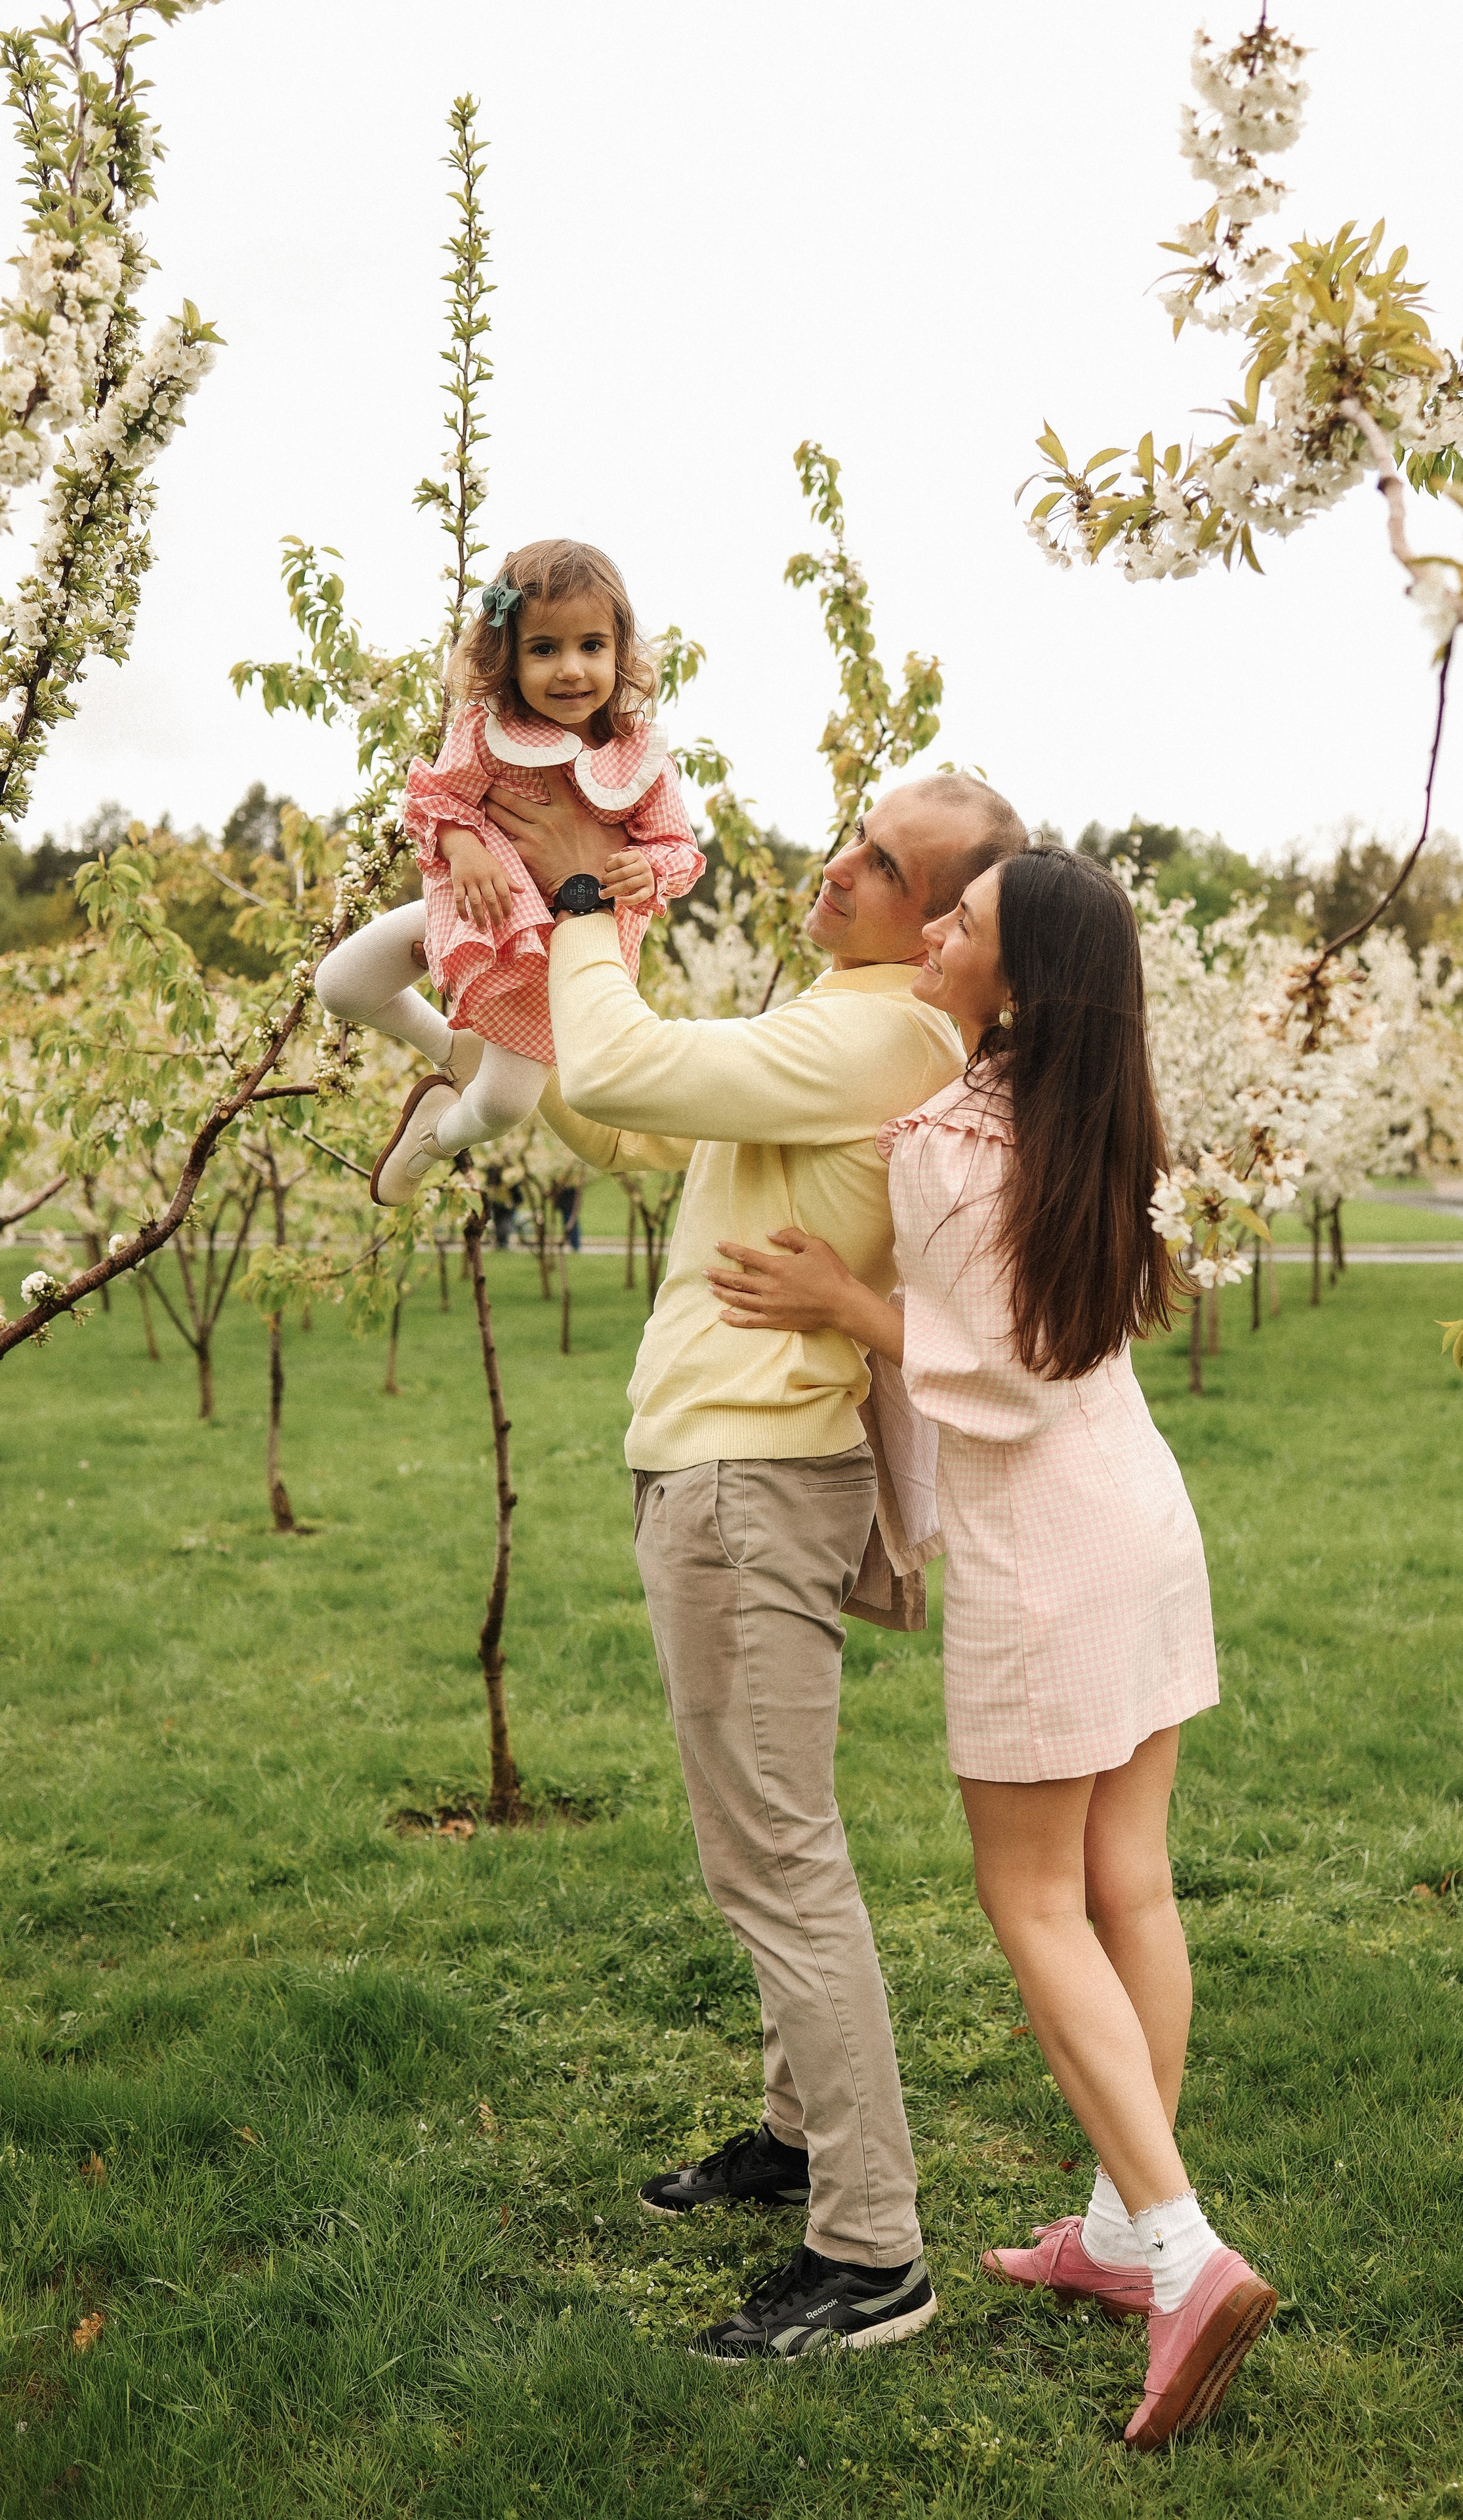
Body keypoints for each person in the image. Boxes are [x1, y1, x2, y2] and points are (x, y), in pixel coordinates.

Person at [705, 845, 1276, 2446]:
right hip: (1139, 1518)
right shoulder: (1088, 1104)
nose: (936, 925)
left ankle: (1177, 2252)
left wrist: (842, 1296)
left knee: (1033, 1899)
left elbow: (1004, 1373)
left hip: (1047, 1547)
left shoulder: (952, 1140)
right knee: (1127, 1883)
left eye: (963, 920)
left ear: (1012, 978)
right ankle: (1113, 2224)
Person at [489, 766, 1029, 2361]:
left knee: (775, 1861)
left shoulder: (885, 1029)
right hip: (728, 1462)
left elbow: (635, 1051)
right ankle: (800, 2138)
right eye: (856, 834)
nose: (837, 864)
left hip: (744, 1475)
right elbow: (638, 1106)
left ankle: (872, 2251)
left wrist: (585, 899)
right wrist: (522, 1001)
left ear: (943, 929)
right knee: (775, 1841)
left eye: (883, 863)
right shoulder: (849, 1019)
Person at [312, 539, 703, 1206]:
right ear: (508, 656)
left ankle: (434, 1137)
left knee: (502, 1107)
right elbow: (438, 799)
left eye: (591, 646)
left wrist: (647, 869)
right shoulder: (487, 728)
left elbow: (678, 848)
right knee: (340, 985)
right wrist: (463, 846)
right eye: (543, 649)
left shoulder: (636, 754)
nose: (571, 670)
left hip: (558, 960)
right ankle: (451, 1051)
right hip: (482, 912)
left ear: (619, 651)